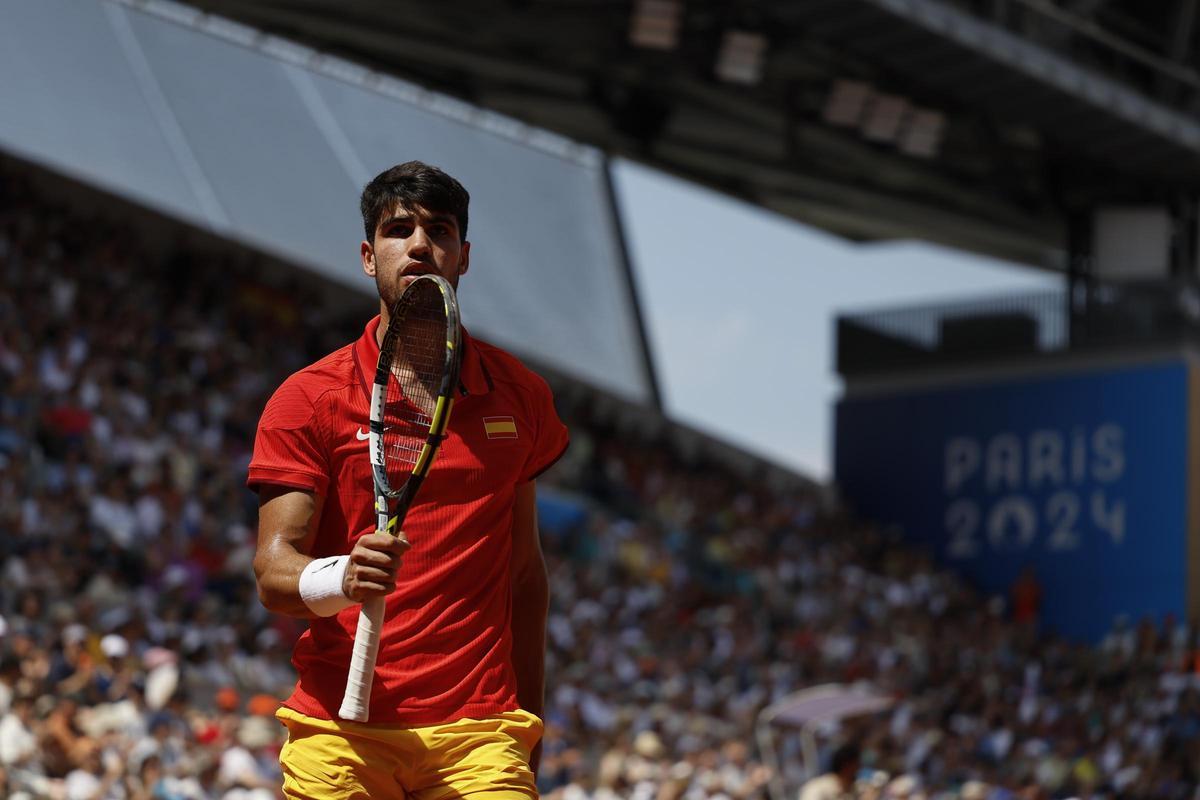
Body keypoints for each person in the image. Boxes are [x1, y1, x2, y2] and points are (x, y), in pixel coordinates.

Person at [248, 161, 569, 799]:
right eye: (399, 230)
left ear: (463, 256)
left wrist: (528, 729)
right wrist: (341, 575)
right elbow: (273, 573)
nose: (420, 245)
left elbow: (525, 576)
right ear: (369, 256)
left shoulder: (522, 397)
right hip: (340, 730)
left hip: (481, 734)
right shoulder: (308, 398)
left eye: (440, 232)